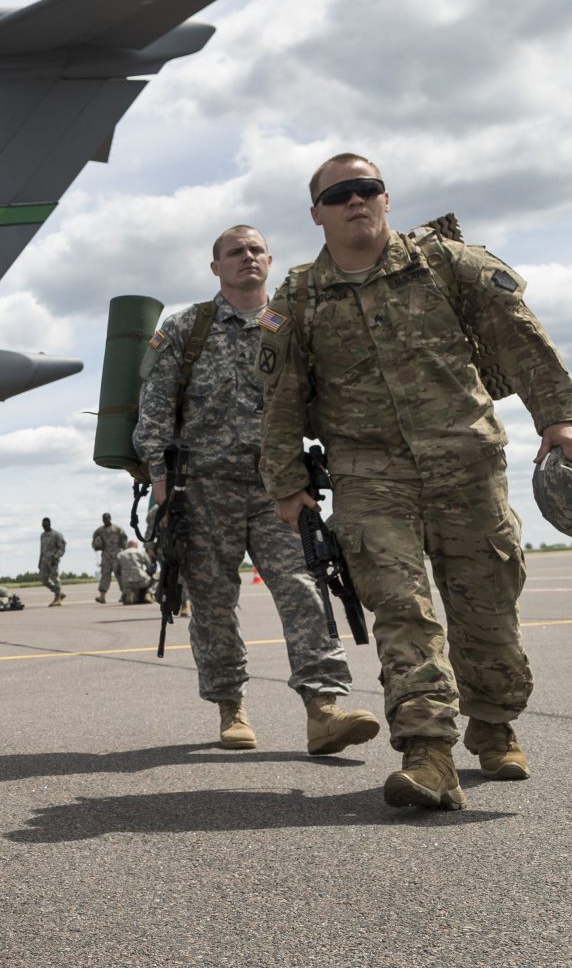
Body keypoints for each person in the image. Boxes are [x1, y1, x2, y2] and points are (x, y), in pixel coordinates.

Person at [261, 154, 572, 811]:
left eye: (368, 189)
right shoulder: (295, 298)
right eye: (340, 194)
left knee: (488, 607)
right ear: (317, 213)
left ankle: (494, 723)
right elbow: (279, 394)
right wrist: (286, 481)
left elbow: (519, 334)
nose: (357, 200)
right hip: (368, 475)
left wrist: (561, 413)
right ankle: (427, 753)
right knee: (401, 608)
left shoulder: (447, 263)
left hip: (466, 464)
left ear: (385, 198)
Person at [135, 225, 380, 754]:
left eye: (253, 250)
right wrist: (160, 486)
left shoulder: (289, 325)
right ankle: (231, 707)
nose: (245, 258)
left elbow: (327, 400)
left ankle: (324, 709)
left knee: (303, 589)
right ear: (215, 267)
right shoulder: (187, 328)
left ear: (269, 259)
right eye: (233, 253)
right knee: (213, 604)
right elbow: (153, 410)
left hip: (281, 488)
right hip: (202, 491)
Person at [91, 513, 126, 603]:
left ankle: (124, 594)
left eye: (107, 518)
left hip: (117, 555)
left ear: (110, 518)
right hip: (106, 556)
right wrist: (96, 545)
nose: (105, 520)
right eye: (104, 519)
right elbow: (94, 539)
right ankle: (102, 596)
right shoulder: (99, 530)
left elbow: (124, 539)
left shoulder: (117, 529)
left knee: (119, 575)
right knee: (105, 575)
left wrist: (125, 551)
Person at [114, 539, 153, 605]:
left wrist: (122, 582)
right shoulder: (141, 552)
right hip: (141, 579)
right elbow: (149, 566)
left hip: (126, 582)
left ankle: (129, 592)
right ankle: (148, 593)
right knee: (155, 580)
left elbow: (116, 570)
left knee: (129, 587)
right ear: (136, 545)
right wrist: (148, 574)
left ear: (127, 546)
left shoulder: (120, 554)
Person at [38, 517, 66, 606]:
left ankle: (57, 598)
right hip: (44, 561)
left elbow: (62, 548)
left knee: (55, 578)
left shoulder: (57, 534)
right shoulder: (42, 535)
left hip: (53, 560)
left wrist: (56, 557)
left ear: (49, 524)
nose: (44, 526)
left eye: (45, 524)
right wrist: (39, 561)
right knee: (44, 579)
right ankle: (59, 592)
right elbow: (41, 549)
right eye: (43, 525)